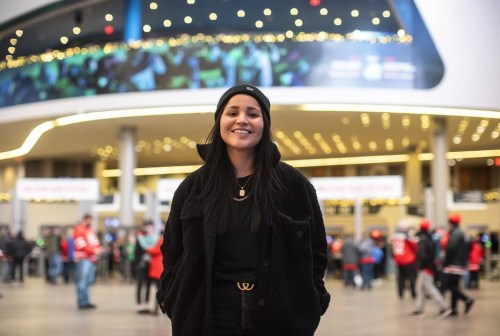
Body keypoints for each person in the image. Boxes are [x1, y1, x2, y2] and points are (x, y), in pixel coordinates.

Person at [156, 83, 330, 335]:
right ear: (219, 121)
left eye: (252, 113)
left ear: (265, 123)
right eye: (232, 112)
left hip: (278, 315)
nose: (242, 120)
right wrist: (172, 298)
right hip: (207, 314)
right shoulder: (192, 187)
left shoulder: (294, 185)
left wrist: (312, 300)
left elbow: (316, 252)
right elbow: (171, 251)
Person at [411, 219, 452, 319]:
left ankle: (444, 307)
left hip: (425, 268)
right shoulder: (430, 238)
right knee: (420, 288)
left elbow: (422, 255)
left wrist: (419, 266)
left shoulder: (422, 239)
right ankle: (419, 308)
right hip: (428, 267)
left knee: (430, 289)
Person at [441, 213, 475, 316]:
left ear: (451, 223)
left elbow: (451, 249)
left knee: (449, 285)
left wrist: (445, 262)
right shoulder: (462, 233)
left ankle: (467, 299)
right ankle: (454, 309)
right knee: (454, 285)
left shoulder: (455, 233)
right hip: (460, 264)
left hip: (453, 264)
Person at [73, 214, 102, 310]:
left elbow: (96, 243)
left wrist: (98, 250)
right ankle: (82, 302)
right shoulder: (79, 230)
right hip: (83, 259)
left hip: (91, 259)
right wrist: (94, 251)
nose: (90, 222)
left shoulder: (90, 231)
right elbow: (81, 244)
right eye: (88, 220)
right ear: (84, 220)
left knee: (88, 281)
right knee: (82, 281)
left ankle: (86, 301)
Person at [134, 220, 159, 314]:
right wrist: (136, 266)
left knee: (148, 285)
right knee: (140, 284)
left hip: (151, 266)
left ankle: (147, 304)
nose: (148, 228)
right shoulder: (140, 239)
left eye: (149, 226)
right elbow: (136, 253)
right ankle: (140, 305)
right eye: (146, 226)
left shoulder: (156, 239)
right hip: (141, 265)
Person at [390, 227, 417, 299]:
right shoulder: (406, 238)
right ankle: (413, 292)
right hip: (409, 260)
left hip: (399, 260)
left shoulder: (394, 239)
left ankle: (400, 293)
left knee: (400, 278)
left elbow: (392, 250)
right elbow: (414, 247)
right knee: (412, 277)